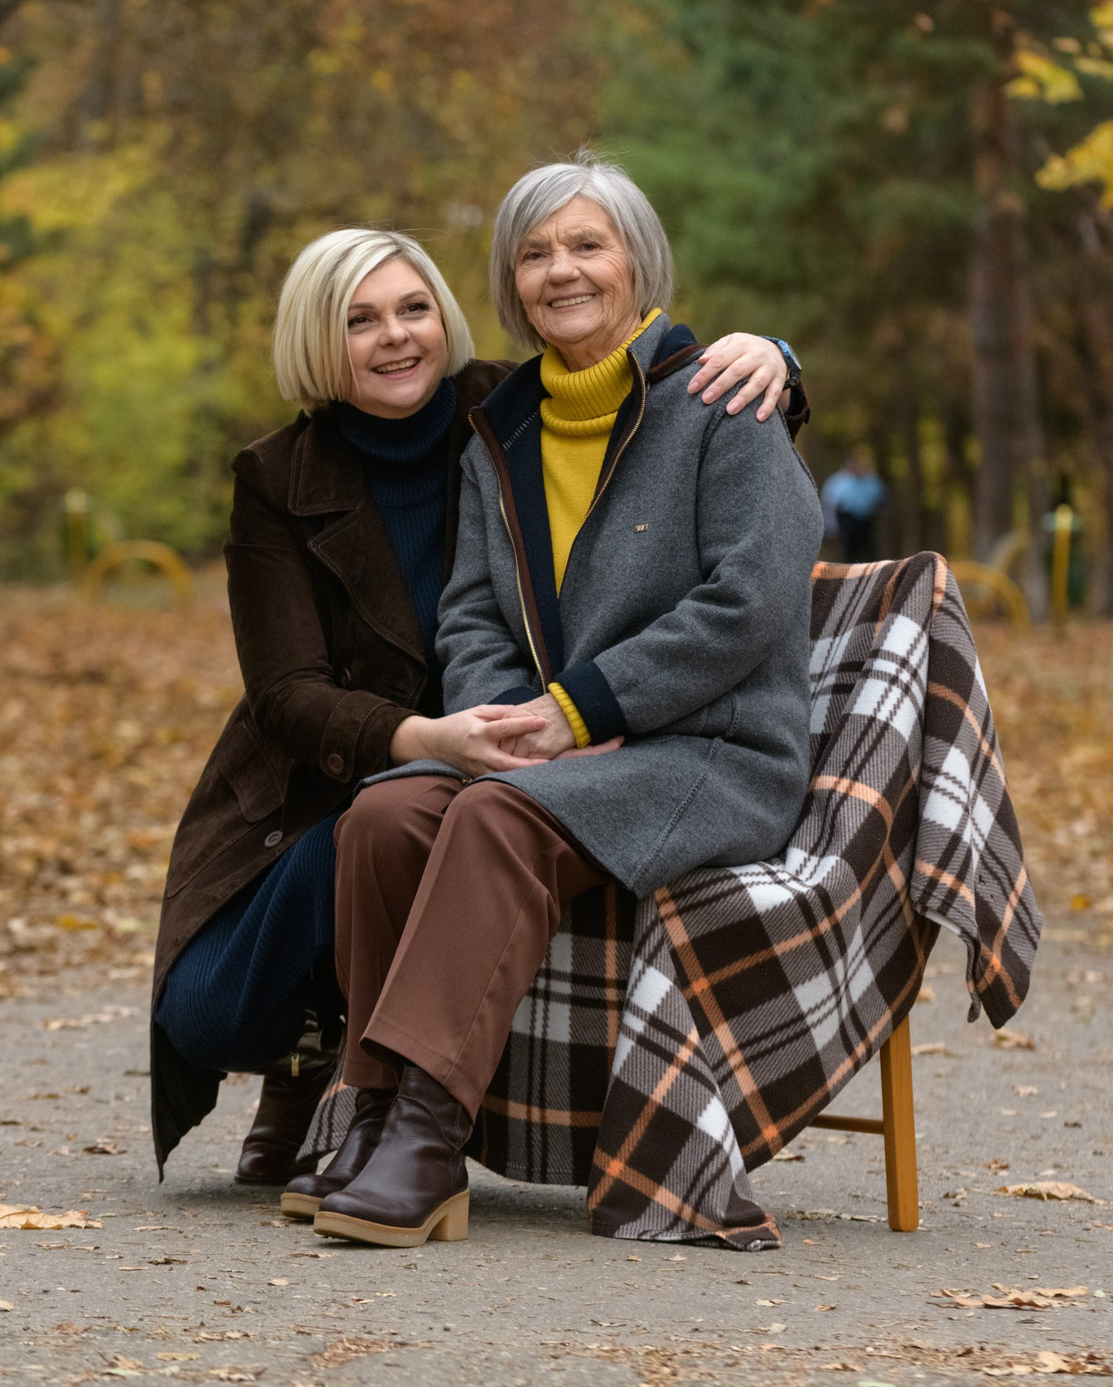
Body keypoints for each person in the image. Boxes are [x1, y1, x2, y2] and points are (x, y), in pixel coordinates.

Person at [148, 224, 803, 1188]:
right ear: (317, 343)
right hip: (348, 759)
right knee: (208, 1011)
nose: (395, 337)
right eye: (359, 321)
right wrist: (429, 734)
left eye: (414, 309)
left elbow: (638, 377)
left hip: (518, 736)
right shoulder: (276, 477)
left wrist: (775, 355)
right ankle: (312, 1061)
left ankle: (386, 1114)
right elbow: (285, 693)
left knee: (423, 821)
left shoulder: (501, 409)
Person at [296, 154, 823, 1247]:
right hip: (564, 754)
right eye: (534, 253)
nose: (561, 270)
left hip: (710, 753)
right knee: (386, 813)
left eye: (588, 244)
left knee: (497, 818)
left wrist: (579, 710)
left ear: (639, 262)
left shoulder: (725, 400)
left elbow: (748, 603)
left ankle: (429, 1135)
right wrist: (509, 725)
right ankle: (372, 1113)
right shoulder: (502, 431)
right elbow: (473, 612)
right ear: (511, 283)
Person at [821, 447, 886, 563]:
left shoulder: (871, 480)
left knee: (871, 554)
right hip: (846, 522)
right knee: (849, 554)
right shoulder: (836, 481)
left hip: (867, 522)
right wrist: (830, 528)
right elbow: (828, 505)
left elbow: (882, 499)